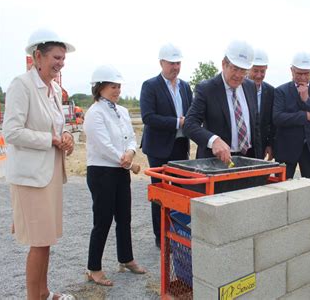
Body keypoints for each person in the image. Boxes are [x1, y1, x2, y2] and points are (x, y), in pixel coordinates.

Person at [3, 28, 75, 300]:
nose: (60, 63)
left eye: (63, 59)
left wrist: (65, 136)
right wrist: (51, 140)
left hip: (50, 174)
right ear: (38, 57)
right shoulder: (21, 85)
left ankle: (44, 293)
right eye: (56, 57)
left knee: (47, 240)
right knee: (40, 242)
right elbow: (11, 132)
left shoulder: (54, 88)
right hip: (31, 177)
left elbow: (60, 126)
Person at [84, 65, 147, 287]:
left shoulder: (122, 111)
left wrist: (130, 152)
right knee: (102, 220)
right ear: (100, 87)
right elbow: (103, 145)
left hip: (121, 169)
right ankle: (94, 268)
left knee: (124, 217)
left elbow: (130, 136)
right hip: (101, 171)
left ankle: (125, 258)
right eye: (113, 86)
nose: (117, 90)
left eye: (118, 86)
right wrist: (125, 159)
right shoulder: (94, 113)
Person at [140, 43, 193, 248]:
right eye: (171, 63)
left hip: (180, 146)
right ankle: (160, 237)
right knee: (160, 193)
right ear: (161, 62)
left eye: (178, 63)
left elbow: (192, 113)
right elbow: (148, 117)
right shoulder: (150, 86)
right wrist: (176, 122)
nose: (175, 67)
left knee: (181, 192)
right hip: (158, 148)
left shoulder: (186, 87)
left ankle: (179, 232)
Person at [183, 40, 261, 163]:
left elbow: (255, 126)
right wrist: (213, 140)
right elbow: (189, 124)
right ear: (224, 63)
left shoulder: (250, 87)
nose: (238, 75)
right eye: (235, 68)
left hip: (248, 159)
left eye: (243, 70)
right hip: (217, 162)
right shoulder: (207, 89)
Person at [273, 51, 310, 179]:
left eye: (306, 73)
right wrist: (305, 116)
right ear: (292, 70)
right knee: (281, 187)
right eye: (299, 73)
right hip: (287, 149)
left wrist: (307, 99)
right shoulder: (281, 91)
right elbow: (278, 118)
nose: (303, 77)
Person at [248, 49, 276, 161]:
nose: (259, 75)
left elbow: (272, 123)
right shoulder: (238, 89)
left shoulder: (271, 92)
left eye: (262, 71)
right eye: (255, 71)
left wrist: (270, 144)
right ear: (248, 69)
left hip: (261, 148)